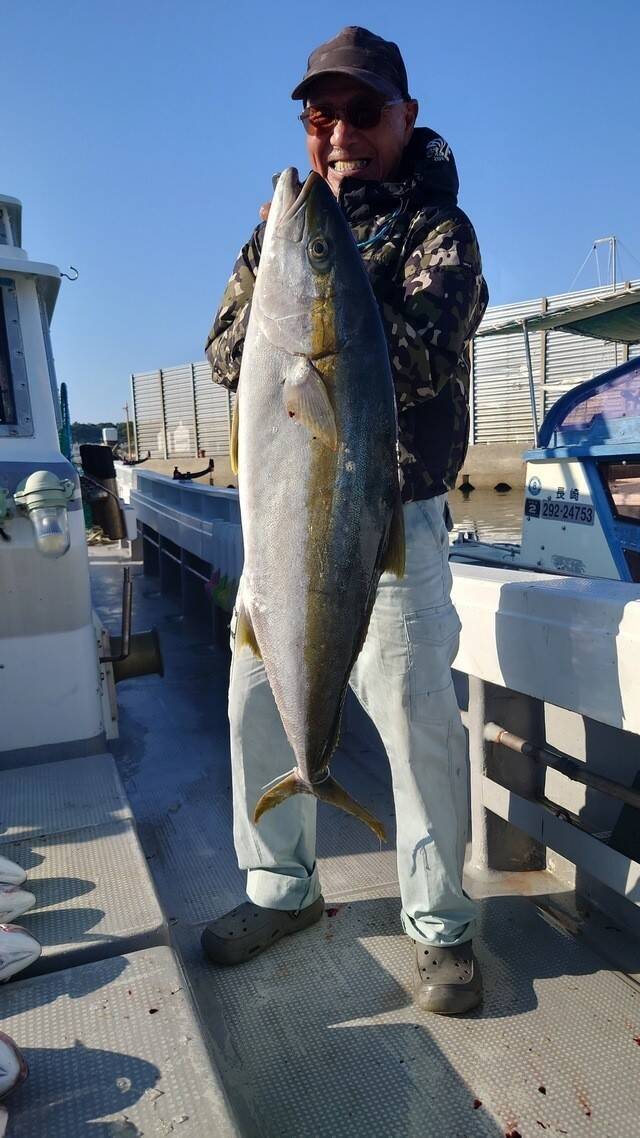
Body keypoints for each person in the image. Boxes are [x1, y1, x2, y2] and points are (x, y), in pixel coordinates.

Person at [202, 26, 488, 1015]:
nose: (339, 135)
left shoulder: (437, 233)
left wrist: (314, 274)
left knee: (414, 725)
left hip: (393, 527)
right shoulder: (283, 234)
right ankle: (280, 888)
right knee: (251, 707)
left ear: (405, 118)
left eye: (363, 113)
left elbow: (415, 354)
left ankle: (441, 928)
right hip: (283, 536)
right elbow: (227, 352)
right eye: (322, 115)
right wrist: (287, 260)